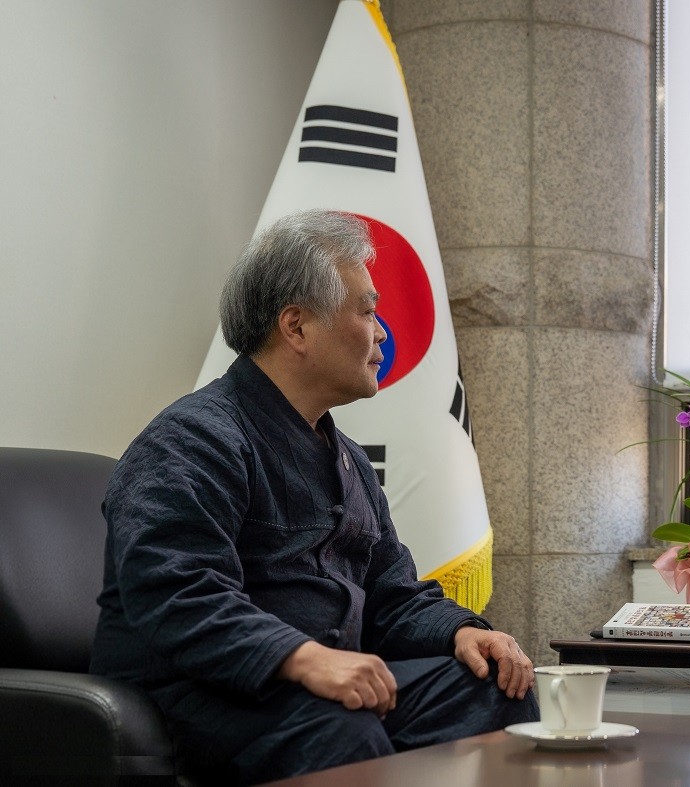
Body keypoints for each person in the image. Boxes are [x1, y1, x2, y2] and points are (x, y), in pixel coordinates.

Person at [91, 210, 539, 783]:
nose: (382, 332)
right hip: (201, 693)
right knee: (342, 729)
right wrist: (301, 658)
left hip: (321, 686)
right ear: (297, 327)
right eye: (367, 311)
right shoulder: (191, 439)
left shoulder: (349, 459)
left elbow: (391, 596)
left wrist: (462, 631)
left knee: (494, 690)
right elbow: (176, 591)